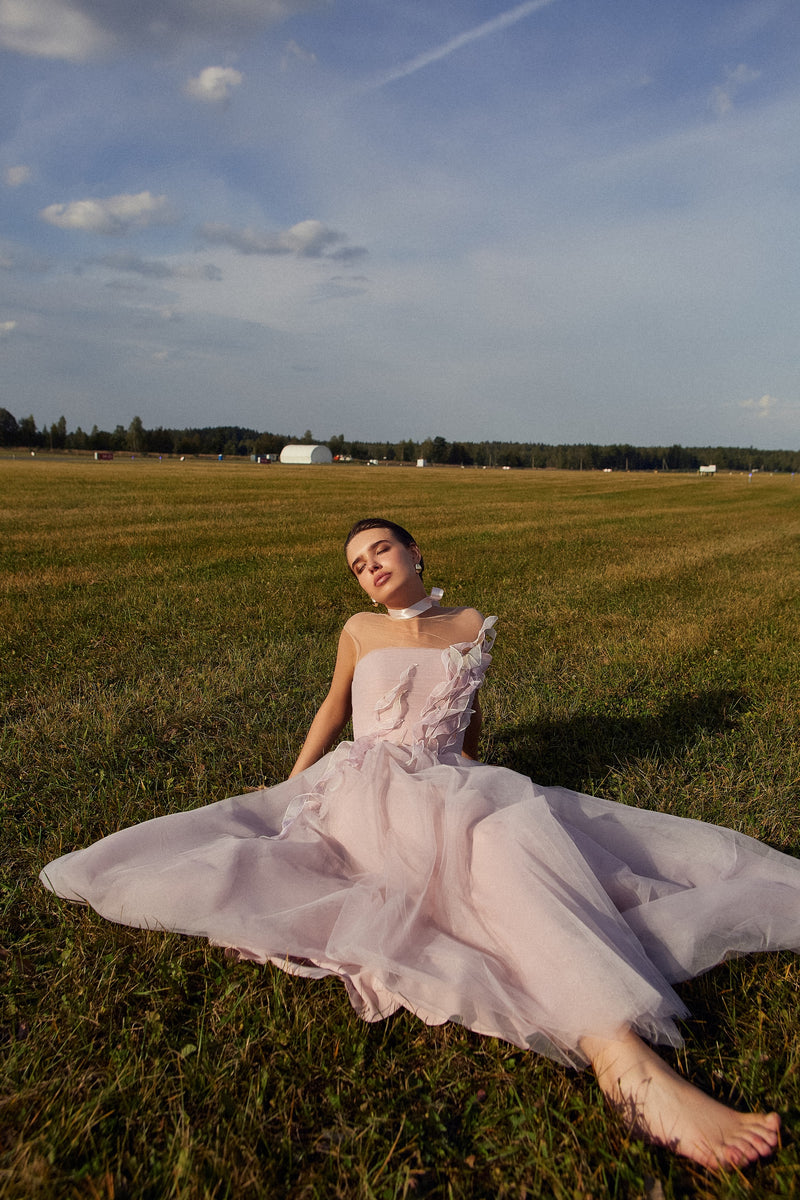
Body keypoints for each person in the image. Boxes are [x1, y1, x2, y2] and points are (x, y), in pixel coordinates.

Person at [40, 518, 796, 1170]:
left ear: (415, 552)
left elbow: (467, 722)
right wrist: (288, 793)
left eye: (379, 551)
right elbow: (334, 710)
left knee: (508, 838)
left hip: (452, 780)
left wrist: (477, 771)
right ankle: (625, 1064)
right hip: (370, 788)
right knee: (483, 859)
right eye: (359, 567)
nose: (371, 568)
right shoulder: (359, 630)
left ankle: (619, 1053)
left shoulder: (472, 624)